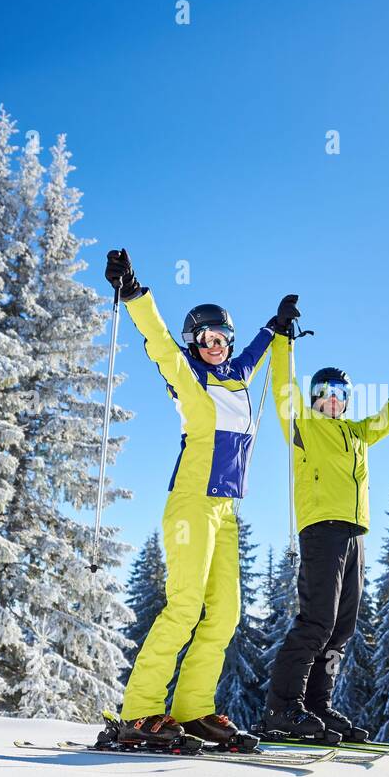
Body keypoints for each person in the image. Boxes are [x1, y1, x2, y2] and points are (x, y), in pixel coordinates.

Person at [101, 249, 298, 749]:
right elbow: (160, 342)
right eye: (205, 339)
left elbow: (259, 347)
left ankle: (192, 708)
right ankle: (140, 710)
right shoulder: (188, 375)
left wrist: (276, 326)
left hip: (227, 509)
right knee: (185, 606)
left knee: (226, 612)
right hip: (191, 501)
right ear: (195, 343)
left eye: (221, 338)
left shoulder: (239, 376)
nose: (214, 345)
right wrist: (134, 293)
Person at [262, 293, 389, 742]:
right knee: (316, 620)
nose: (332, 401)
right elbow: (283, 386)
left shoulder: (358, 433)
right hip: (321, 530)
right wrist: (283, 338)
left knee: (341, 627)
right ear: (315, 398)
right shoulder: (302, 424)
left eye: (340, 395)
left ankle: (317, 708)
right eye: (325, 394)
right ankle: (283, 708)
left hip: (354, 533)